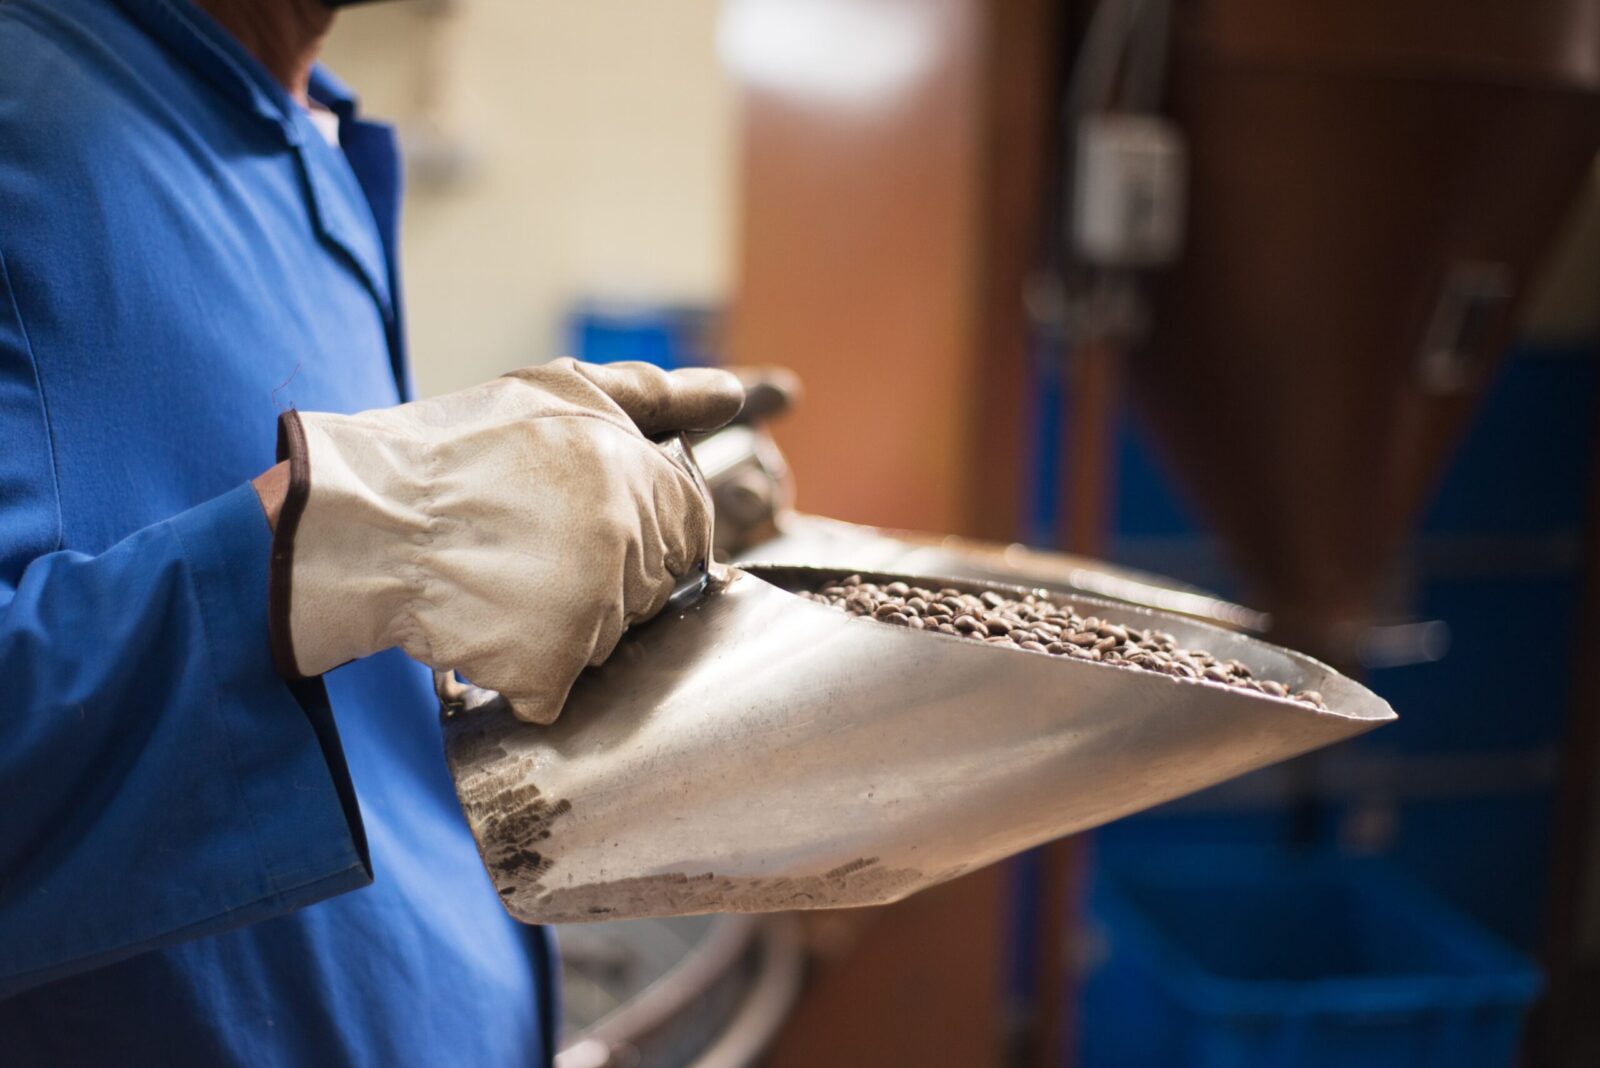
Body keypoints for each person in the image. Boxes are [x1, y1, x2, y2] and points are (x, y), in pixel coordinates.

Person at [0, 0, 743, 1062]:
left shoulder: (301, 123)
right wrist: (361, 539)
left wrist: (586, 549)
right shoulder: (32, 106)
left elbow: (340, 701)